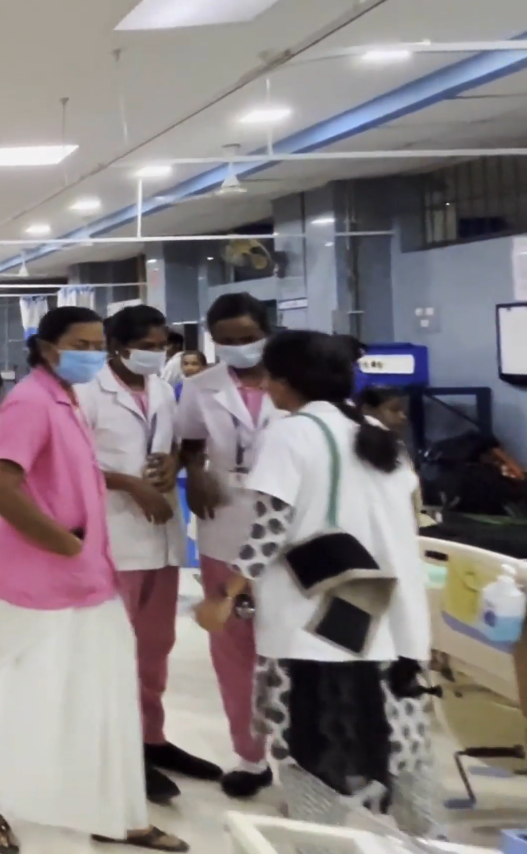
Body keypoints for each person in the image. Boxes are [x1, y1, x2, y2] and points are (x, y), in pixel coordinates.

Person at [0, 306, 186, 853]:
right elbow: (1, 485)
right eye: (81, 345)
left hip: (86, 574)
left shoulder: (68, 398)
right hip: (33, 577)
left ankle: (116, 812)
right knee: (13, 689)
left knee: (102, 690)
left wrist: (81, 551)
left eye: (97, 343)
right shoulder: (32, 401)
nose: (92, 354)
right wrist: (64, 542)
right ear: (47, 348)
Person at [193, 331, 433, 838]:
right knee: (398, 743)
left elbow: (270, 527)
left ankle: (318, 839)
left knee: (313, 746)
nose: (265, 387)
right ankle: (422, 839)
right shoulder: (376, 430)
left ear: (284, 382)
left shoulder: (291, 433)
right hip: (393, 613)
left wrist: (228, 592)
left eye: (269, 377)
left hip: (319, 620)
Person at [74, 305, 219, 805]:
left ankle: (151, 739)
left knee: (156, 647)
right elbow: (71, 462)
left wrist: (173, 463)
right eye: (147, 347)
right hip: (114, 537)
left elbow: (172, 444)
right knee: (115, 651)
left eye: (162, 347)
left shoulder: (159, 389)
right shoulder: (88, 392)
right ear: (117, 346)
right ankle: (116, 751)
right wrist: (132, 485)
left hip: (161, 537)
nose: (157, 355)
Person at [175, 291, 277, 797]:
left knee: (295, 645)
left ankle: (305, 756)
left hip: (292, 533)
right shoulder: (201, 386)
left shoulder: (295, 379)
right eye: (225, 341)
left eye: (248, 338)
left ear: (267, 333)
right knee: (236, 648)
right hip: (225, 524)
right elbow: (190, 442)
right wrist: (195, 475)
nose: (238, 348)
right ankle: (250, 756)